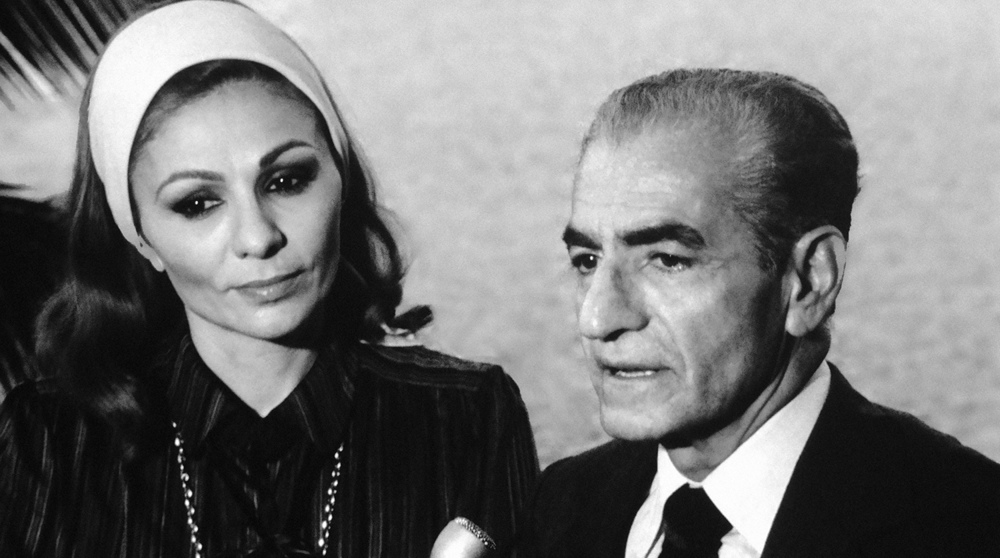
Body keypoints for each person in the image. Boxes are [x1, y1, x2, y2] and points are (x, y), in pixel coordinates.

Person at [0, 2, 538, 556]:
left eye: (287, 180)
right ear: (141, 238)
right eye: (197, 203)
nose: (258, 238)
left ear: (342, 179)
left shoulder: (469, 417)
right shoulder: (48, 442)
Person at [517, 68, 1000, 557]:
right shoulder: (560, 507)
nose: (597, 319)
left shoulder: (969, 526)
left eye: (667, 260)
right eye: (587, 261)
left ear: (809, 281)